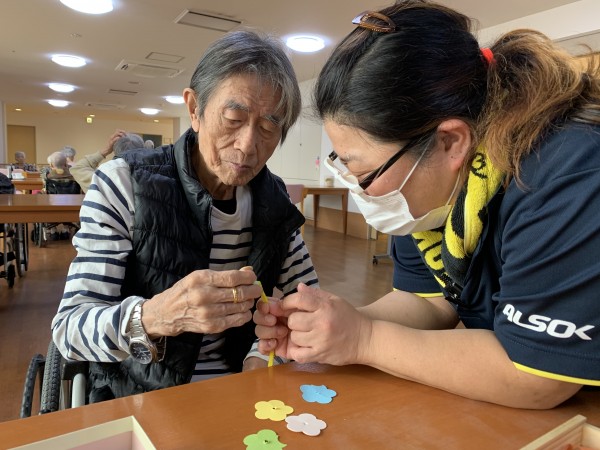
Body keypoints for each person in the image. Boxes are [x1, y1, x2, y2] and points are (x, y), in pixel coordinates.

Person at [254, 0, 600, 409]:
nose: (363, 192)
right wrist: (332, 324)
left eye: (365, 173)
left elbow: (534, 375)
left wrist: (364, 339)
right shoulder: (436, 188)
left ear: (450, 141)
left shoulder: (566, 172)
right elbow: (429, 300)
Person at [51, 30, 318, 403]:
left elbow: (307, 304)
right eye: (233, 118)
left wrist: (261, 353)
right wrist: (156, 316)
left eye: (269, 128)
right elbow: (70, 330)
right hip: (141, 396)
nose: (248, 146)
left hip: (243, 393)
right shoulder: (124, 184)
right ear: (195, 109)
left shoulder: (274, 200)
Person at [70, 130, 144, 193]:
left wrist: (107, 150)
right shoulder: (148, 177)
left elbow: (77, 168)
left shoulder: (102, 178)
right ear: (142, 151)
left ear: (115, 151)